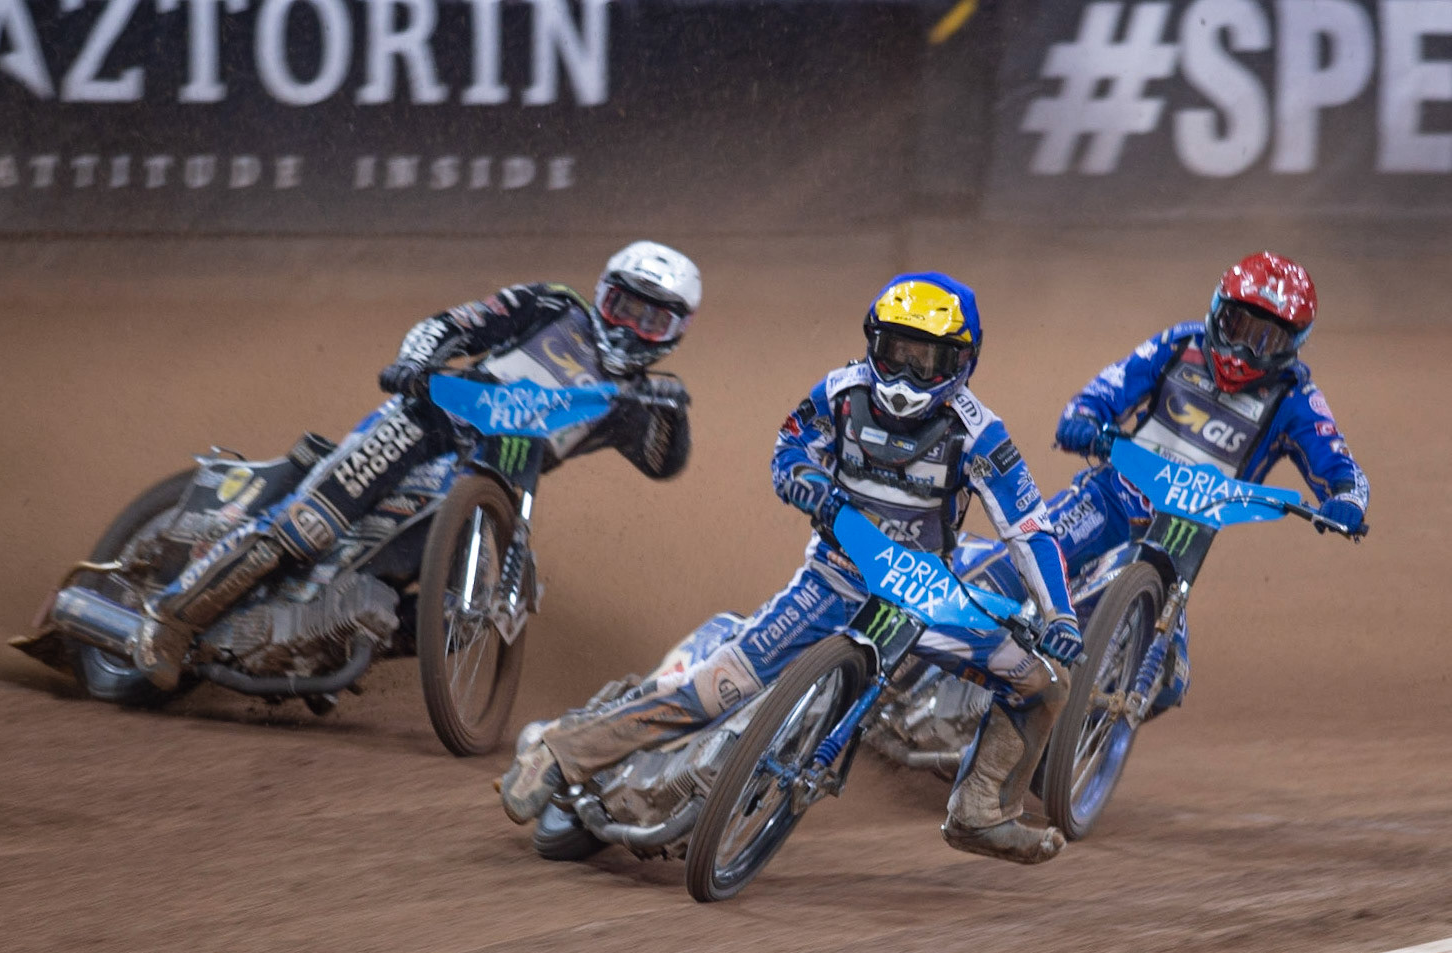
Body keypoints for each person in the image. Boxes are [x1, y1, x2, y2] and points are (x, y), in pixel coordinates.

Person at [500, 272, 1085, 865]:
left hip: (924, 594)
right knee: (709, 692)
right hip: (830, 579)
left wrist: (1060, 611)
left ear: (962, 362)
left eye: (926, 360)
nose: (905, 374)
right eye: (894, 352)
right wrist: (808, 486)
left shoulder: (982, 434)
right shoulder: (839, 393)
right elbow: (790, 449)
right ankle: (555, 754)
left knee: (1042, 684)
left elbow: (1029, 529)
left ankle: (980, 812)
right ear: (871, 342)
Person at [132, 241, 701, 687]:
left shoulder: (635, 402)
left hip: (493, 485)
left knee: (458, 620)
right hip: (424, 427)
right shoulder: (552, 304)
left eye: (652, 321)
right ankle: (169, 620)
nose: (631, 327)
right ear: (602, 295)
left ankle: (323, 643)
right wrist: (415, 363)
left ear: (675, 333)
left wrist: (674, 415)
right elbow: (451, 324)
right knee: (309, 527)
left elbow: (663, 463)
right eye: (624, 307)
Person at [1045, 252, 1370, 700]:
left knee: (1164, 684)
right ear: (1218, 310)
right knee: (1031, 558)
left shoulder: (1296, 398)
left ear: (1294, 345)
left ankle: (1063, 752)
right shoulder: (1180, 344)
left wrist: (1347, 501)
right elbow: (1101, 393)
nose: (1243, 351)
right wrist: (1083, 420)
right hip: (1112, 497)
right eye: (1239, 328)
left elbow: (1342, 469)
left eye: (1266, 340)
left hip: (1182, 536)